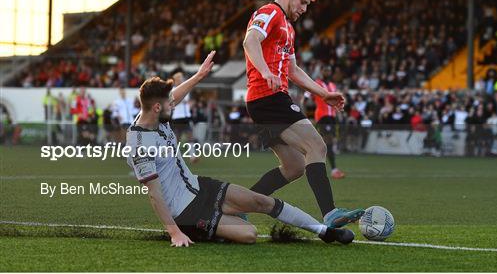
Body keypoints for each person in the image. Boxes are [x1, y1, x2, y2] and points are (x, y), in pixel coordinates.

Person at [126, 51, 354, 246]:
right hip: (186, 211)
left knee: (261, 201)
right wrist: (175, 232)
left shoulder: (154, 114)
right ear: (156, 107)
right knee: (249, 234)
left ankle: (325, 231)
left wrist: (199, 76)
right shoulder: (140, 143)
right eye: (168, 103)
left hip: (198, 186)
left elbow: (174, 96)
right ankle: (199, 228)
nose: (173, 103)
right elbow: (154, 195)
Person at [242, 0, 363, 228]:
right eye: (303, 1)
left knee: (294, 167)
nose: (305, 8)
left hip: (263, 101)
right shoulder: (271, 12)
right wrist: (265, 71)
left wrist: (323, 93)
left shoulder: (288, 28)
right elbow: (250, 40)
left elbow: (292, 70)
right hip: (269, 97)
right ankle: (330, 213)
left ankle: (237, 206)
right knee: (317, 147)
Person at [302, 67, 345, 179]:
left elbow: (336, 101)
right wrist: (307, 115)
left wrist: (339, 112)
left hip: (332, 117)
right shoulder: (316, 83)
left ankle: (313, 167)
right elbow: (305, 99)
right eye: (325, 70)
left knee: (323, 144)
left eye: (329, 70)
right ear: (322, 72)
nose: (327, 72)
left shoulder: (332, 85)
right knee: (328, 141)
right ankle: (334, 170)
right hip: (322, 116)